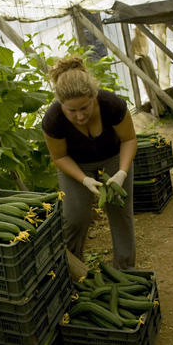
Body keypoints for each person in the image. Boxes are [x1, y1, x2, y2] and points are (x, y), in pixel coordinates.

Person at [42, 55, 138, 270]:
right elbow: (59, 157)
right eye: (71, 111)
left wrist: (122, 172)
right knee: (74, 217)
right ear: (61, 105)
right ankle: (74, 269)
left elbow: (129, 139)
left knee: (120, 211)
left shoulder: (111, 104)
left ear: (94, 96)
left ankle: (125, 269)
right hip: (76, 164)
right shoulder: (53, 119)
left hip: (114, 157)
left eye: (84, 108)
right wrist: (84, 180)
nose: (79, 116)